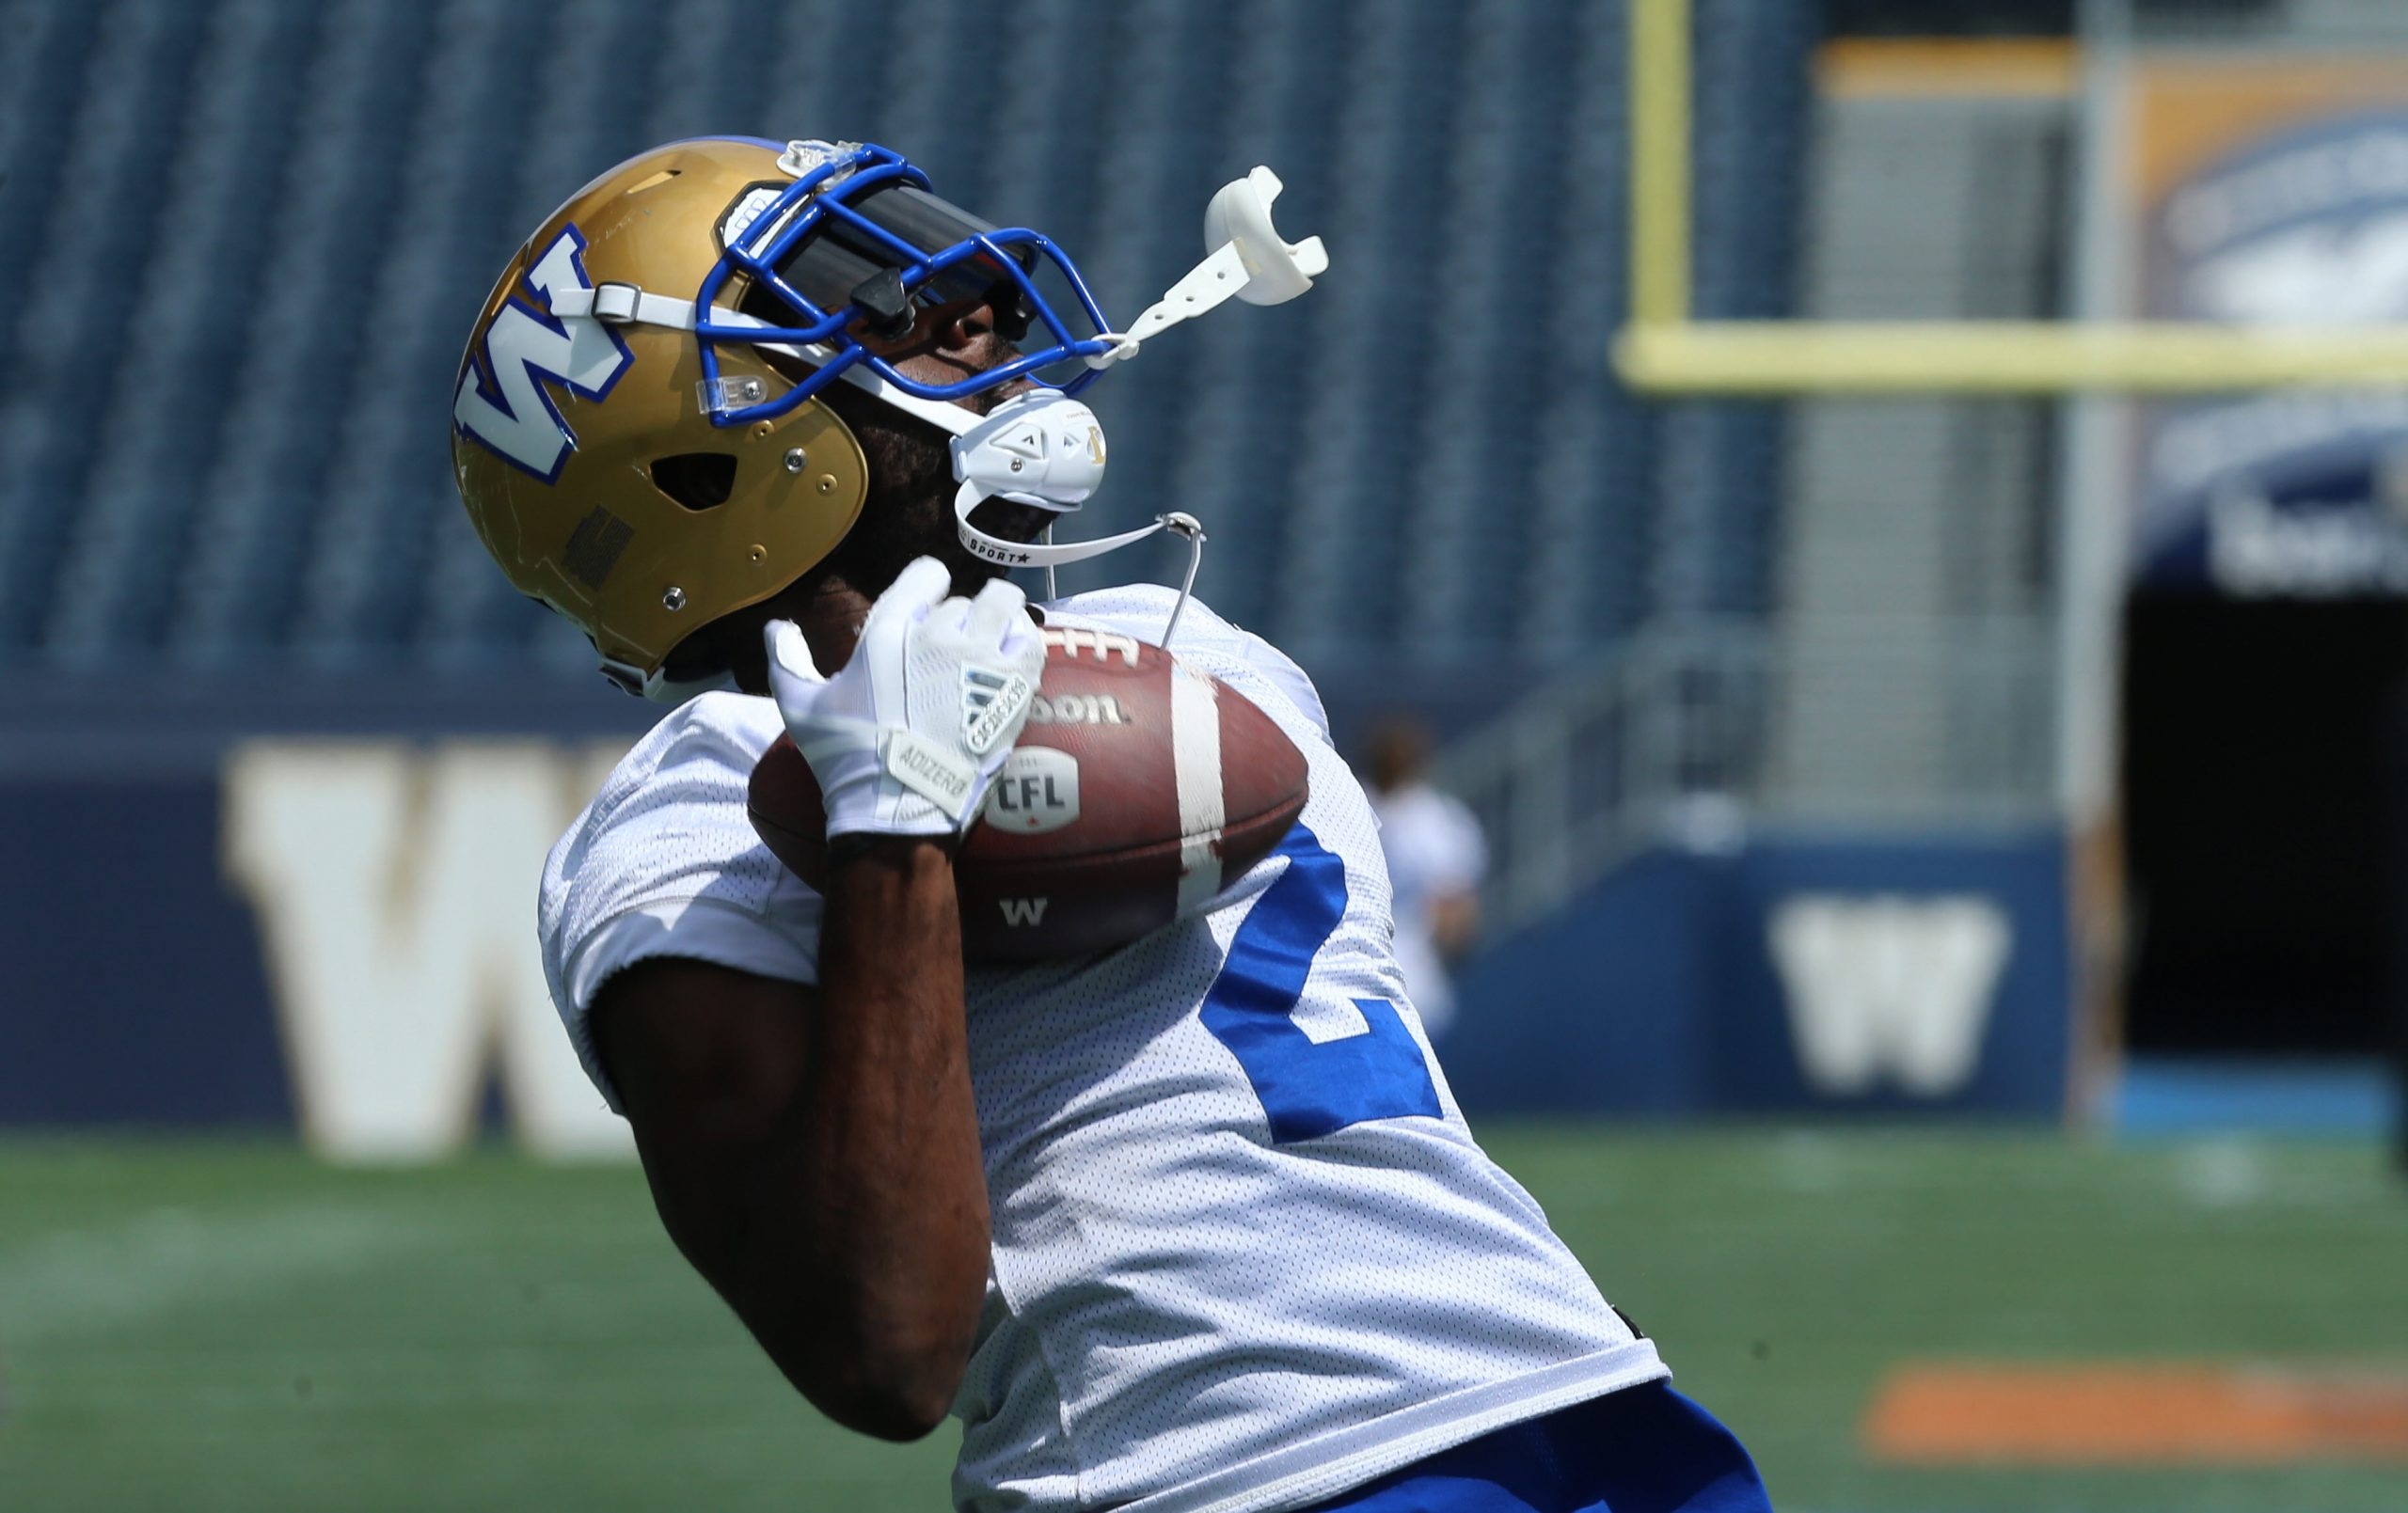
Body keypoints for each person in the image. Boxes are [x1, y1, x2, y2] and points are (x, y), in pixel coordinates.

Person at [452, 136, 1769, 1513]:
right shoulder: (690, 818)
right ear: (699, 460)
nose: (978, 308)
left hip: (1593, 1413)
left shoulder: (1194, 653)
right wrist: (891, 821)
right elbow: (885, 1347)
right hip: (1227, 1475)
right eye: (866, 292)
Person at [1362, 718, 1488, 1040]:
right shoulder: (1436, 822)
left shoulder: (1435, 820)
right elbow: (1458, 919)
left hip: (1387, 977)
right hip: (1386, 976)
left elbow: (1457, 918)